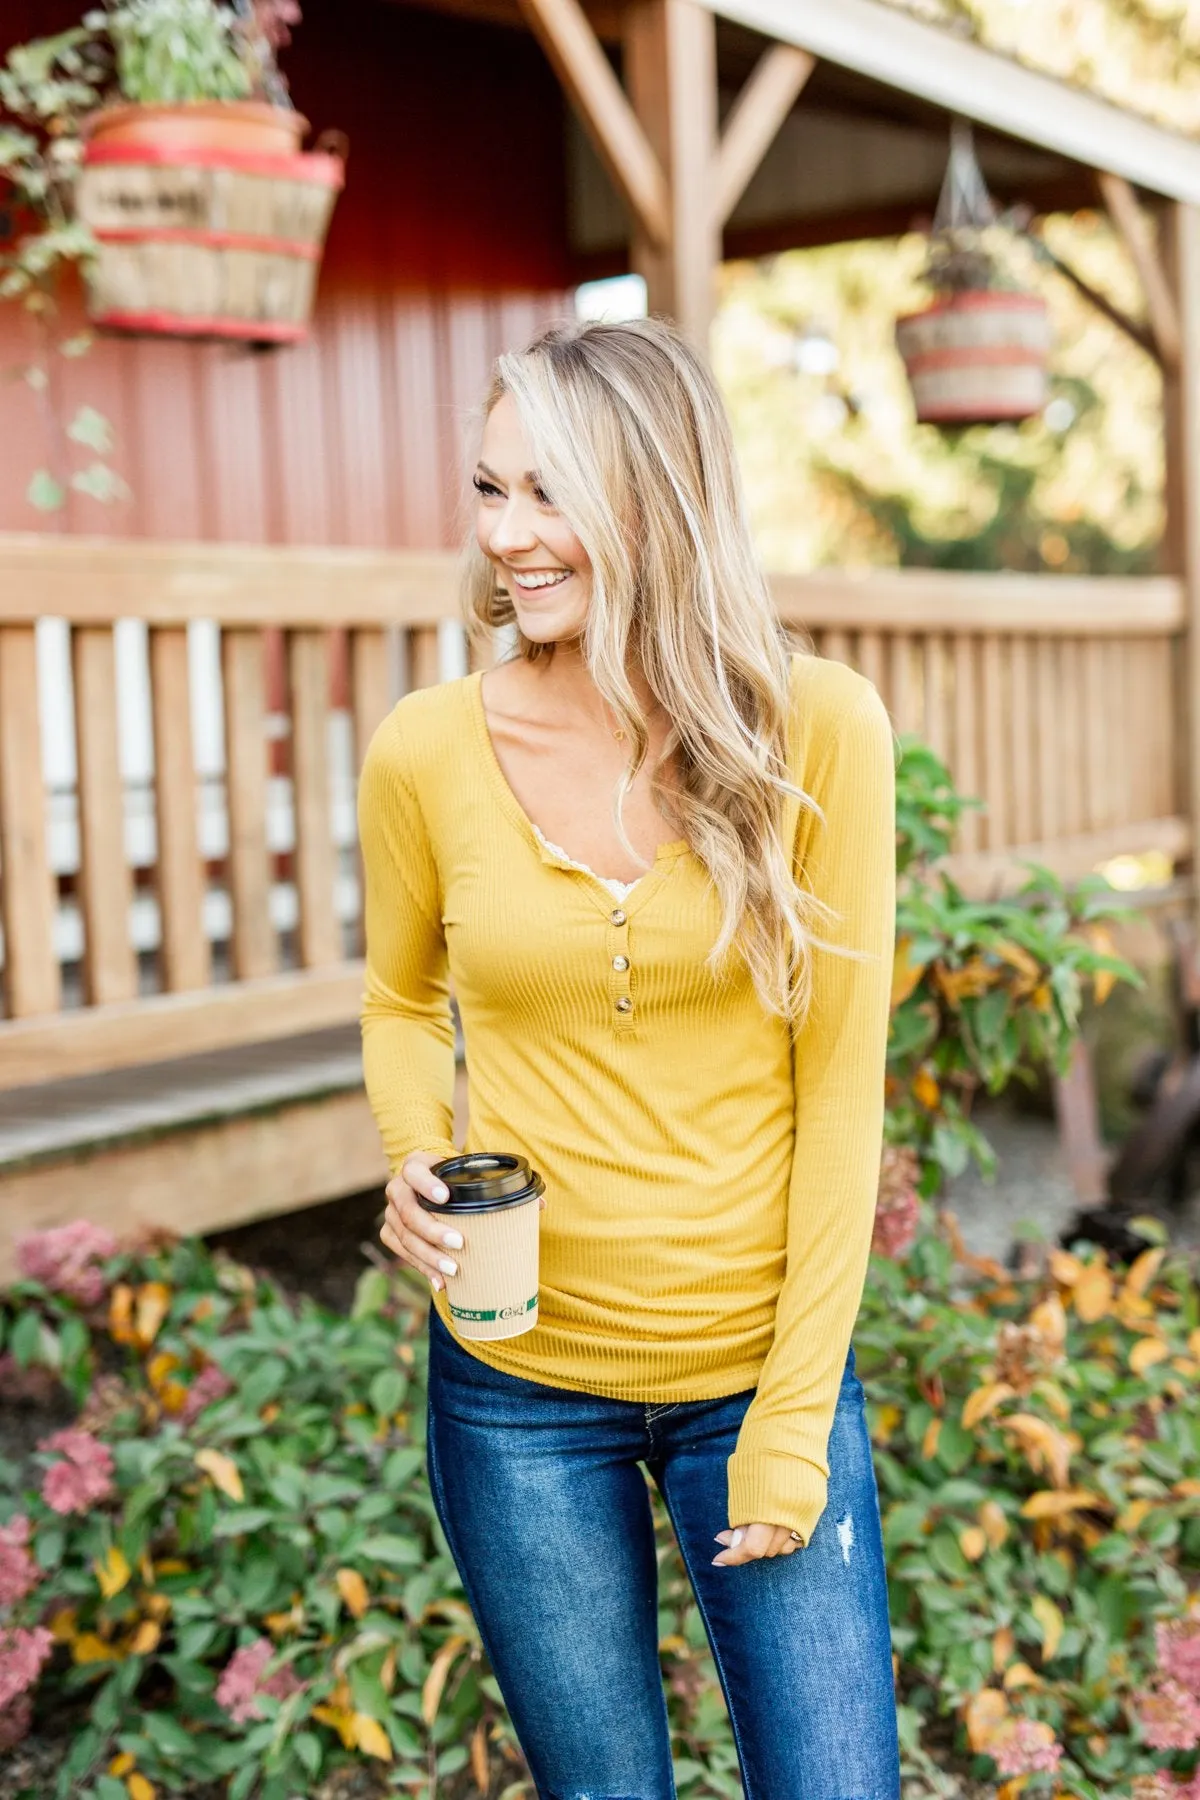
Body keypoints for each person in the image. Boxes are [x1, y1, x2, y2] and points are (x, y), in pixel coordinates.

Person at [359, 316, 899, 1800]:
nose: (509, 538)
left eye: (550, 496)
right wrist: (414, 1148)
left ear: (656, 501)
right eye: (490, 490)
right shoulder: (426, 747)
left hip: (754, 1371)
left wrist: (793, 1422)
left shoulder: (816, 732)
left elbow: (840, 1090)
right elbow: (402, 1003)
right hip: (516, 1388)